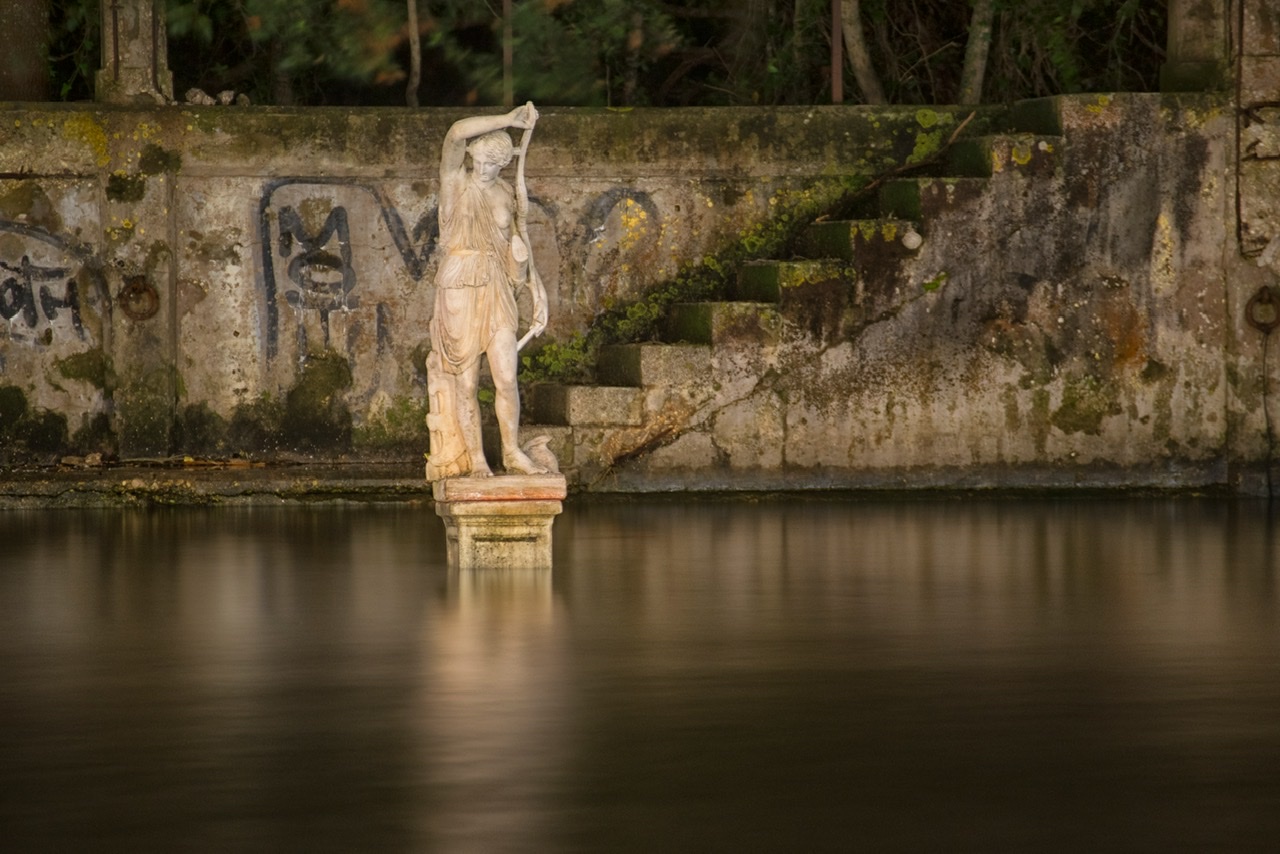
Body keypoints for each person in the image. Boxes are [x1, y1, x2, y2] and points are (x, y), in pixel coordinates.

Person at [425, 102, 549, 480]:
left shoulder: (506, 194)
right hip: (459, 285)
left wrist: (537, 290)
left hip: (496, 287)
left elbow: (517, 243)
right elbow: (455, 133)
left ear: (503, 165)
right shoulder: (455, 182)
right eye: (477, 161)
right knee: (466, 381)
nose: (480, 169)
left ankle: (511, 452)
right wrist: (508, 121)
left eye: (489, 165)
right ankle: (477, 458)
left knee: (507, 377)